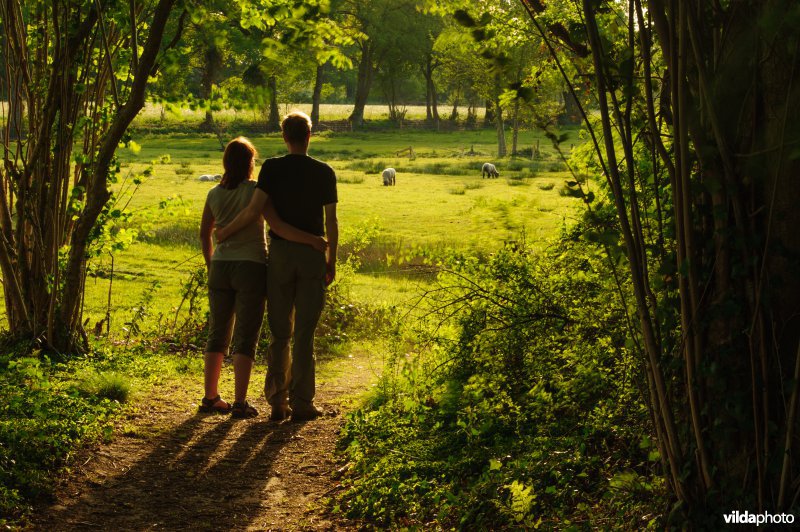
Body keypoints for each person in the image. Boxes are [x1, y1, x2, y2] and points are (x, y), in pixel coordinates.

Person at [216, 111, 338, 422]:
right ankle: (303, 402)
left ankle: (277, 401)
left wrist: (226, 231)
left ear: (284, 137)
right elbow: (331, 222)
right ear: (309, 136)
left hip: (280, 255)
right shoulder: (325, 172)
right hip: (312, 255)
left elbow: (254, 210)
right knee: (305, 334)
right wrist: (330, 258)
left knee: (280, 331)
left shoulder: (272, 168)